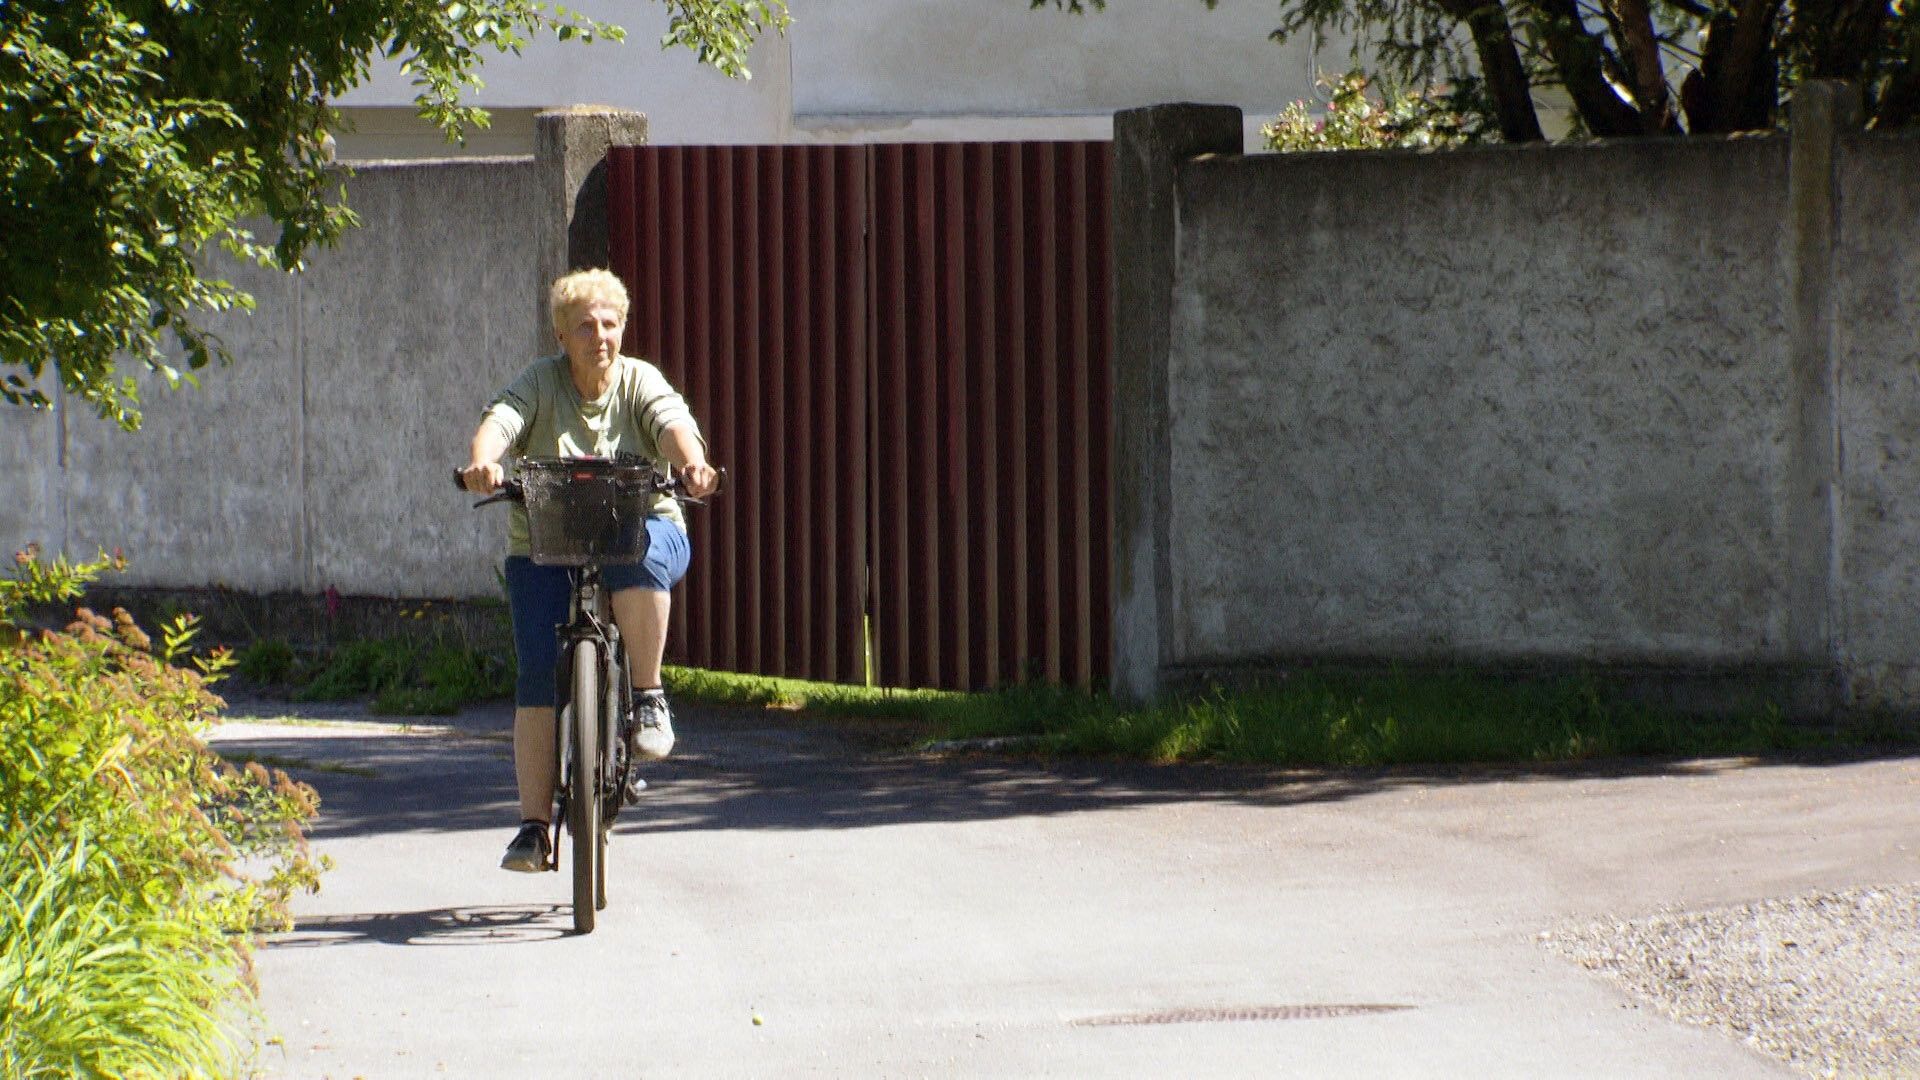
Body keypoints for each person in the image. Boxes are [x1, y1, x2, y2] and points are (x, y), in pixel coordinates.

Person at [460, 268, 720, 872]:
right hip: (547, 542)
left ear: (622, 329)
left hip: (642, 527)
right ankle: (532, 829)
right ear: (561, 333)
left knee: (633, 560)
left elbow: (673, 425)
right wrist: (482, 464)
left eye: (609, 324)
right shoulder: (540, 383)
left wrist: (694, 465)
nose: (598, 336)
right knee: (534, 679)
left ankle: (649, 697)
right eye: (584, 326)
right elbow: (501, 420)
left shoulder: (639, 381)